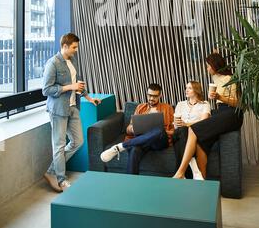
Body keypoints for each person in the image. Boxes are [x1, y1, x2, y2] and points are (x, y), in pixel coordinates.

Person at [42, 32, 101, 192]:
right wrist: (69, 87)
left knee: (78, 141)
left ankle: (51, 171)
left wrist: (88, 98)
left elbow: (78, 83)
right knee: (59, 145)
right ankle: (61, 180)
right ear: (65, 46)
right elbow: (46, 89)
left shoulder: (72, 61)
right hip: (58, 111)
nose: (76, 50)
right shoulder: (52, 63)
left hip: (73, 107)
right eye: (74, 47)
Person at [173, 52, 243, 180]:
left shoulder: (230, 79)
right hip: (221, 112)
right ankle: (202, 182)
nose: (207, 68)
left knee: (193, 129)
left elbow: (240, 103)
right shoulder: (216, 78)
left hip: (232, 114)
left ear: (214, 66)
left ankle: (180, 172)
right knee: (201, 142)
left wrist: (219, 97)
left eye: (208, 65)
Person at [100, 83, 174, 174]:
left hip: (159, 141)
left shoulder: (167, 108)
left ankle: (122, 146)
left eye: (155, 96)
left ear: (160, 96)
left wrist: (161, 132)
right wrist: (132, 129)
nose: (151, 98)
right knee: (135, 150)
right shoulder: (140, 108)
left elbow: (173, 130)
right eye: (149, 95)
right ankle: (131, 183)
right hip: (142, 141)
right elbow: (128, 129)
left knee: (159, 130)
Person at [173, 81, 210, 180]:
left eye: (189, 88)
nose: (186, 90)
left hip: (193, 136)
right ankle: (194, 168)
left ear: (196, 90)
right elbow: (175, 125)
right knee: (183, 130)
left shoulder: (205, 104)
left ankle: (181, 174)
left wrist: (187, 124)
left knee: (182, 140)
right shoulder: (180, 104)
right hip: (178, 133)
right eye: (186, 87)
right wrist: (177, 123)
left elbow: (204, 124)